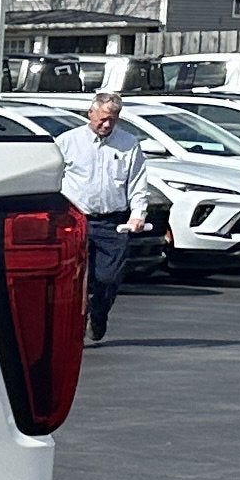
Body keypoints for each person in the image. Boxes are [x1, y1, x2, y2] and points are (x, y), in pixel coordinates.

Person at [52, 87, 156, 341]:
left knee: (107, 278)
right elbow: (52, 178)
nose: (107, 124)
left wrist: (137, 214)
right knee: (71, 279)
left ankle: (98, 314)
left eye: (113, 119)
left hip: (112, 223)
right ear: (90, 113)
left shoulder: (128, 144)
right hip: (75, 220)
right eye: (103, 119)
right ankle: (71, 328)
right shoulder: (67, 142)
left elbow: (137, 183)